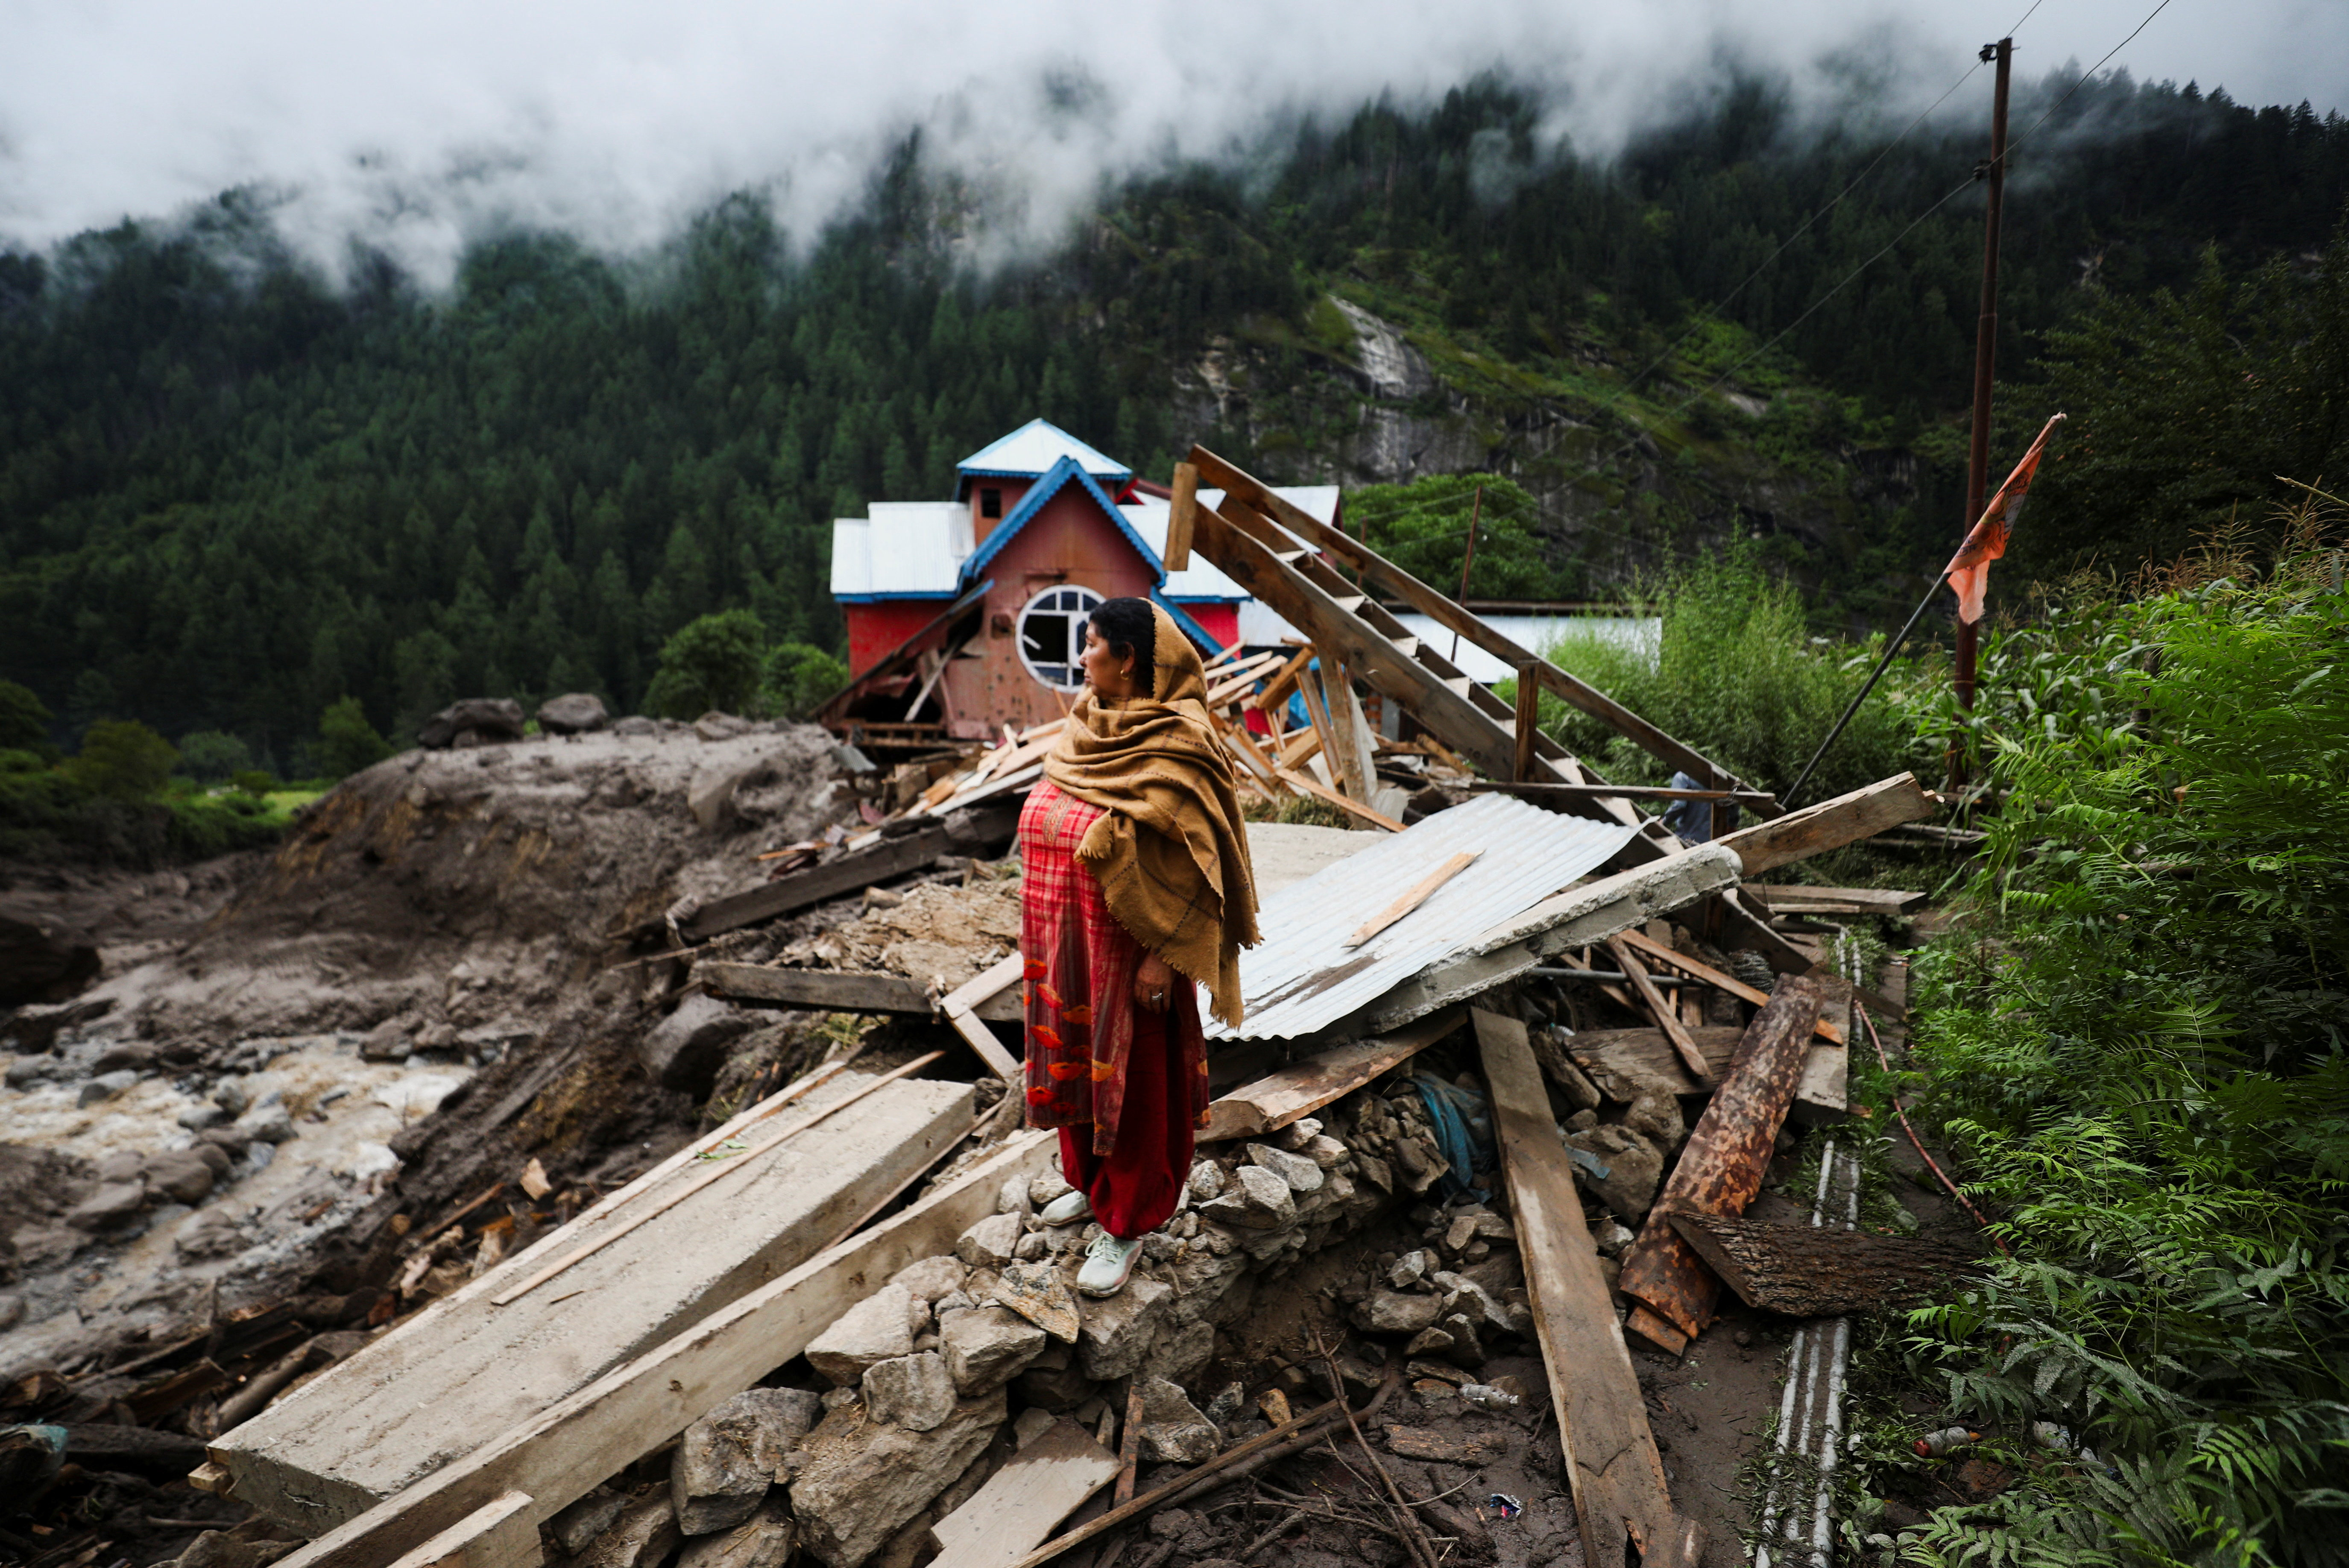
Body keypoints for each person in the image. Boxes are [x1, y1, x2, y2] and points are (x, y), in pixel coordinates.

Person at [1016, 597, 1259, 1297]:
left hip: (1130, 958)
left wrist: (1165, 953)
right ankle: (1093, 1188)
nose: (1082, 656)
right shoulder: (1090, 727)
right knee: (1072, 1063)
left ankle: (1127, 1222)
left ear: (1128, 660)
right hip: (1067, 947)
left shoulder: (1179, 742)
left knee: (1134, 1081)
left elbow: (1204, 858)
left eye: (1091, 645)